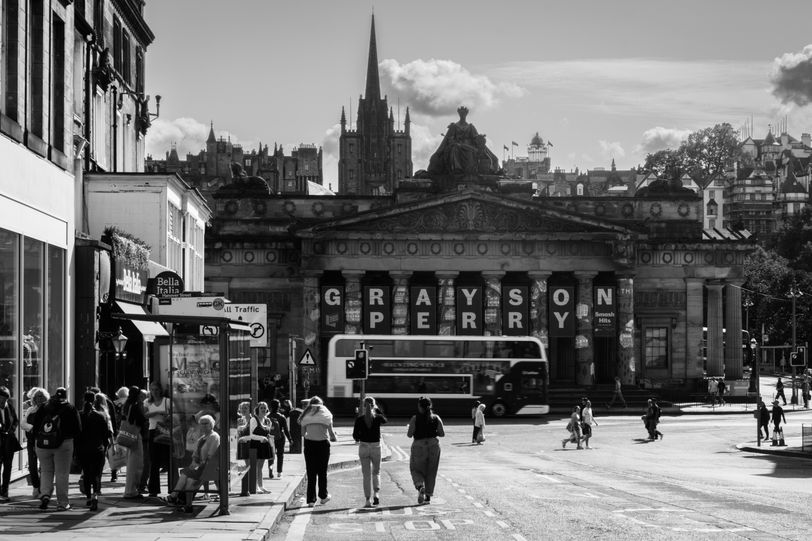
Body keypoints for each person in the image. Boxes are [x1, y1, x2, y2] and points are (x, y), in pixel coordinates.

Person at [32, 387, 81, 511]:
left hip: (43, 444)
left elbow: (36, 426)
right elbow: (78, 429)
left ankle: (45, 495)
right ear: (66, 396)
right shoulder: (70, 408)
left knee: (45, 471)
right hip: (63, 444)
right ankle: (62, 503)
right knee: (62, 473)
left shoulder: (44, 407)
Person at [165, 415, 220, 513]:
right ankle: (179, 500)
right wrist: (194, 461)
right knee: (185, 476)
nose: (203, 426)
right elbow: (195, 454)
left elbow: (211, 455)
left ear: (212, 424)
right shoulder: (202, 438)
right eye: (201, 424)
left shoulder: (214, 437)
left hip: (208, 468)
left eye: (206, 423)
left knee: (188, 478)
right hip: (200, 467)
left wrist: (199, 464)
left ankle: (177, 498)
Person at [299, 396, 337, 507]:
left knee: (311, 473)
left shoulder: (306, 416)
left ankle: (311, 500)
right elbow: (331, 434)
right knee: (322, 472)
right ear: (321, 405)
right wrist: (334, 438)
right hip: (323, 445)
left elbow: (302, 433)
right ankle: (323, 496)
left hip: (310, 445)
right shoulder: (326, 415)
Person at [407, 396, 445, 504]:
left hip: (419, 445)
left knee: (415, 469)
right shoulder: (436, 418)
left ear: (419, 406)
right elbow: (442, 433)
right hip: (434, 445)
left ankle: (420, 487)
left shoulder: (415, 418)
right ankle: (428, 495)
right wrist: (433, 433)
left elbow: (409, 435)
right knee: (431, 471)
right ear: (430, 406)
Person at [78, 392, 112, 511]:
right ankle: (95, 495)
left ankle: (88, 497)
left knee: (86, 474)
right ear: (94, 401)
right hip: (98, 449)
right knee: (97, 474)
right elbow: (106, 434)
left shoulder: (80, 415)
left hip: (83, 449)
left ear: (83, 400)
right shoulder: (100, 416)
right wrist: (105, 447)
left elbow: (77, 434)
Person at [352, 396, 388, 507]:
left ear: (363, 406)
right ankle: (376, 494)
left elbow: (355, 436)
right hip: (376, 447)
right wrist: (376, 409)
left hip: (363, 447)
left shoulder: (359, 419)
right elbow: (385, 420)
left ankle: (367, 500)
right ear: (374, 405)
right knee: (376, 472)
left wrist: (360, 437)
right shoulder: (378, 418)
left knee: (366, 475)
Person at [144, 381, 171, 497]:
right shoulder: (147, 402)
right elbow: (145, 415)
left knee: (168, 460)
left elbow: (170, 414)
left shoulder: (167, 401)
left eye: (156, 389)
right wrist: (159, 412)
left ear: (160, 390)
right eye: (152, 389)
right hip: (153, 430)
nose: (154, 392)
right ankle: (153, 489)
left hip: (164, 430)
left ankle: (173, 488)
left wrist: (162, 414)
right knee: (154, 461)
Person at [20, 387, 49, 499]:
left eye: (41, 397)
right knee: (32, 466)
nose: (39, 400)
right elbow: (23, 423)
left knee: (45, 467)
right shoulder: (30, 410)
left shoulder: (48, 410)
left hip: (44, 442)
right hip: (32, 442)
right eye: (37, 397)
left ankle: (43, 488)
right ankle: (36, 486)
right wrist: (32, 428)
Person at [121, 386, 148, 500]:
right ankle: (131, 491)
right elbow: (141, 420)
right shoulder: (136, 406)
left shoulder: (126, 405)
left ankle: (130, 489)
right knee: (135, 464)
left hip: (127, 435)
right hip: (135, 436)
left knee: (131, 463)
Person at [0, 386, 21, 502]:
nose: (3, 401)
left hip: (8, 442)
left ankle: (5, 491)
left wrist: (10, 430)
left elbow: (16, 421)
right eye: (1, 398)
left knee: (7, 468)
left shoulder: (10, 407)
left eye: (5, 399)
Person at [110, 387, 129, 483]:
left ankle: (114, 473)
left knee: (115, 452)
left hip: (116, 430)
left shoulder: (114, 403)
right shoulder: (128, 403)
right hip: (126, 430)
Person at [269, 399, 292, 479]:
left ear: (271, 406)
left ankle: (270, 472)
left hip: (270, 438)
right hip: (280, 438)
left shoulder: (267, 417)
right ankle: (279, 472)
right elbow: (286, 430)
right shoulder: (282, 417)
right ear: (278, 407)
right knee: (280, 455)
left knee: (271, 456)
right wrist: (290, 439)